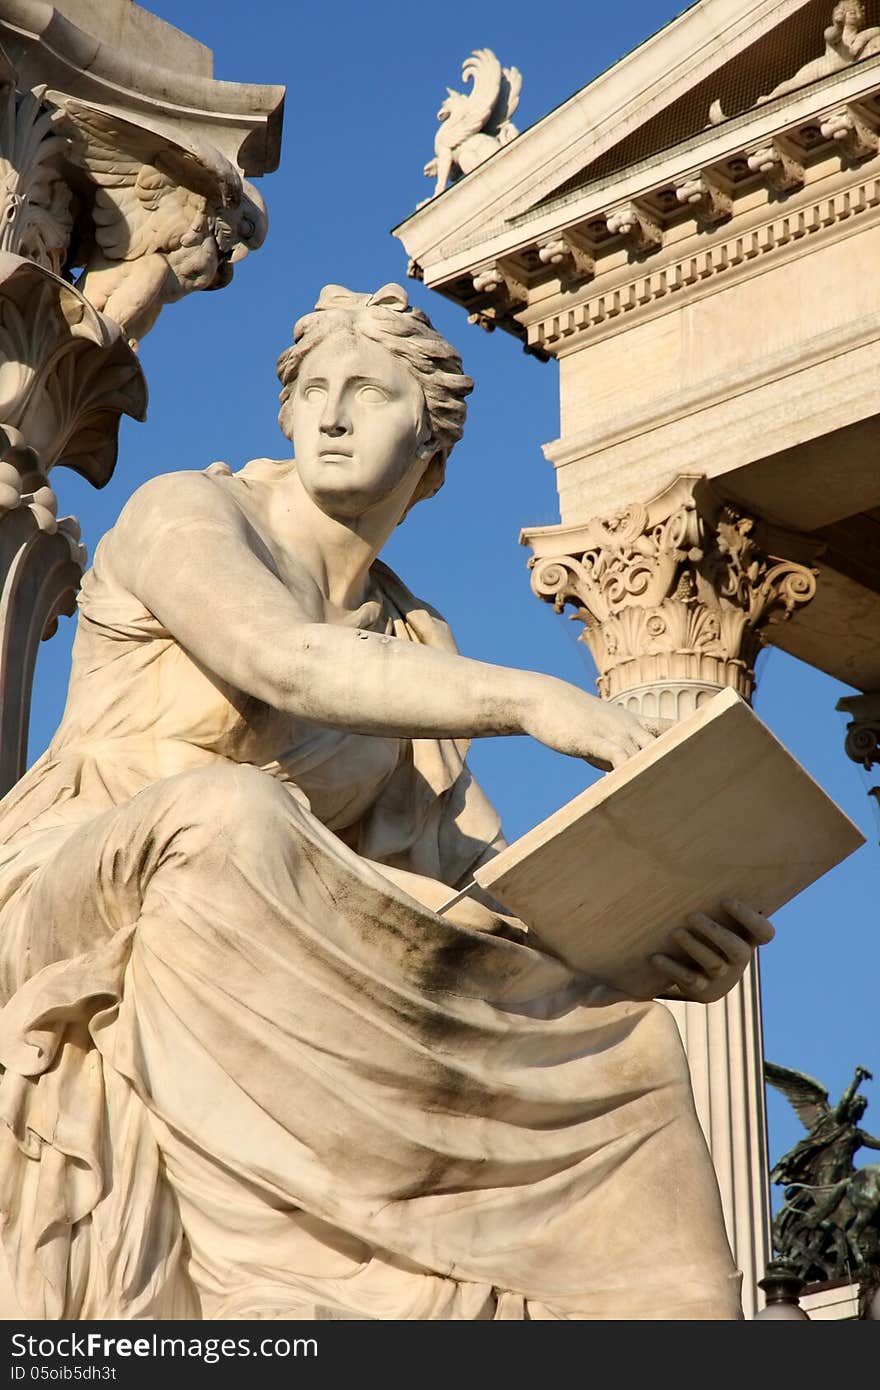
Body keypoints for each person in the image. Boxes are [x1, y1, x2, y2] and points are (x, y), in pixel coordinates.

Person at [0, 283, 772, 1321]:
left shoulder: (412, 642)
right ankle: (261, 1277)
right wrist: (535, 698)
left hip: (268, 912)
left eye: (367, 392)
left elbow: (461, 898)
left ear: (432, 454)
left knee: (624, 1034)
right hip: (78, 882)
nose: (328, 413)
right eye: (312, 389)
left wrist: (631, 944)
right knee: (228, 811)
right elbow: (282, 660)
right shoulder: (189, 510)